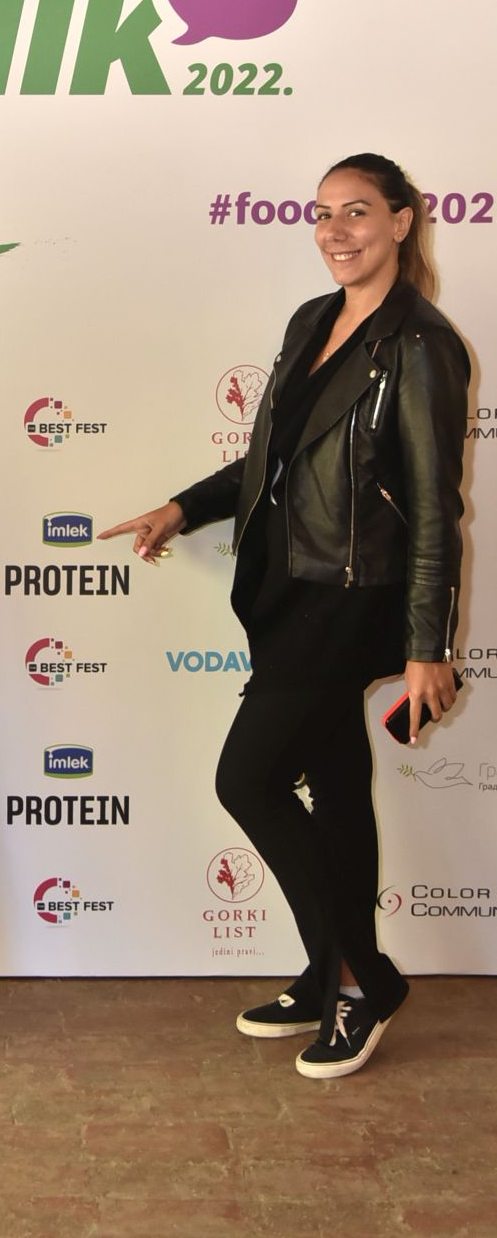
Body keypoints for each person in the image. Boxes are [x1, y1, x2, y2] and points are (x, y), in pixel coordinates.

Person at [100, 153, 469, 1079]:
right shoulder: (312, 320)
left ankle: (360, 979)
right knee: (336, 785)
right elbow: (271, 458)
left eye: (358, 212)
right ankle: (323, 971)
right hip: (287, 587)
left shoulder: (421, 345)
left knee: (248, 780)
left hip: (350, 597)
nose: (336, 231)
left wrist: (428, 644)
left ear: (401, 221)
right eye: (323, 213)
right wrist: (183, 506)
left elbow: (435, 509)